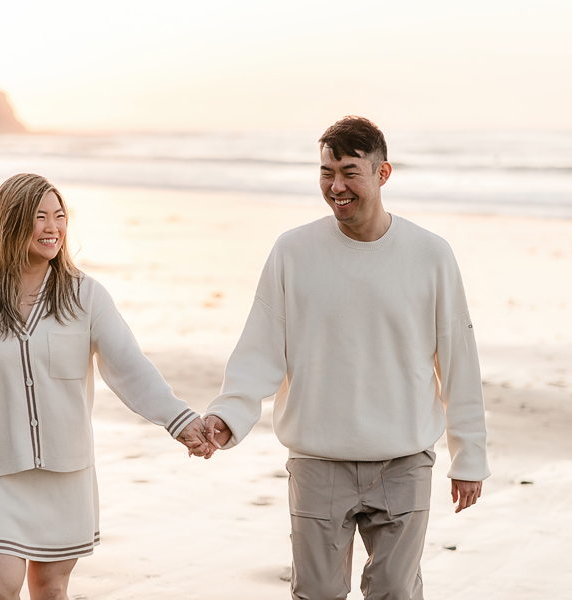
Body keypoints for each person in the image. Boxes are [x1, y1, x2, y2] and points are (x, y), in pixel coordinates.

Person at [203, 116, 490, 600]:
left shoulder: (431, 255)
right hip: (318, 459)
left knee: (396, 592)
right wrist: (228, 415)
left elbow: (459, 362)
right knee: (316, 593)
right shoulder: (293, 251)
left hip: (404, 460)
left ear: (383, 174)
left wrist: (470, 457)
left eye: (349, 172)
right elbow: (261, 348)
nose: (335, 186)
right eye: (325, 172)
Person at [0, 173, 211, 600]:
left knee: (50, 588)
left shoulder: (86, 296)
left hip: (65, 471)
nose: (52, 227)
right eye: (39, 216)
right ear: (11, 223)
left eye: (59, 217)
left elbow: (130, 367)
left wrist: (180, 421)